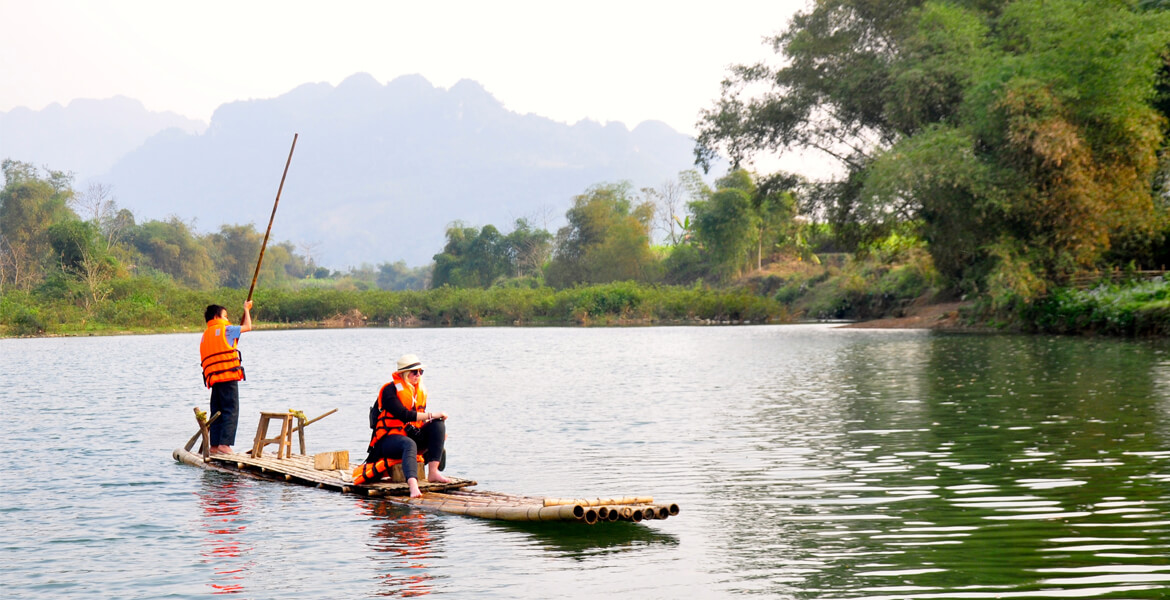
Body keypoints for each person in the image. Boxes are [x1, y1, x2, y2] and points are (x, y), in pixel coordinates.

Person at [355, 353, 449, 497]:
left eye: (420, 372)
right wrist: (432, 414)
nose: (418, 375)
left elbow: (419, 419)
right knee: (409, 444)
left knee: (438, 425)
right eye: (414, 372)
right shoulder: (389, 391)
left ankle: (434, 472)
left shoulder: (418, 392)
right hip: (388, 441)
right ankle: (413, 486)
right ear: (404, 373)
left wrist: (434, 427)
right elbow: (404, 415)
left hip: (410, 435)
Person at [199, 300, 253, 455]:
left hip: (214, 378)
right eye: (225, 316)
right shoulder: (227, 330)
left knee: (217, 411)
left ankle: (215, 445)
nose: (227, 319)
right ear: (217, 316)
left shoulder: (206, 334)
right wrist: (246, 309)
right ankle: (225, 444)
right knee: (231, 409)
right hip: (228, 375)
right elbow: (248, 326)